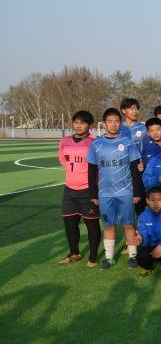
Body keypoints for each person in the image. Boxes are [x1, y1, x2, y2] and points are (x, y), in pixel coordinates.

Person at [88, 108, 144, 270]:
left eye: (116, 121)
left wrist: (137, 192)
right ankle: (109, 258)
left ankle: (133, 256)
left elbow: (135, 169)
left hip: (125, 192)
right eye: (110, 121)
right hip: (105, 194)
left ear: (120, 123)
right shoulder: (96, 144)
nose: (113, 124)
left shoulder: (127, 143)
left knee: (128, 224)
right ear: (104, 124)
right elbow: (92, 171)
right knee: (108, 226)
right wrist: (93, 193)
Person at [58, 110, 101, 266]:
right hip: (69, 189)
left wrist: (94, 188)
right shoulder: (64, 141)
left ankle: (93, 256)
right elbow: (63, 160)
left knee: (91, 224)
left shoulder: (95, 142)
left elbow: (99, 166)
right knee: (69, 224)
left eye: (82, 122)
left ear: (89, 125)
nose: (78, 125)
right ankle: (74, 253)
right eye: (76, 122)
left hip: (88, 190)